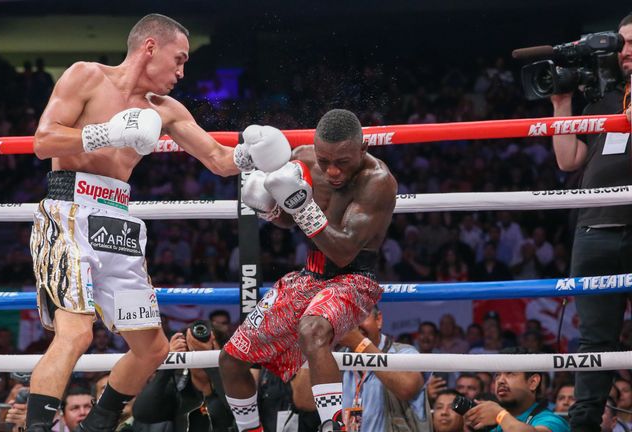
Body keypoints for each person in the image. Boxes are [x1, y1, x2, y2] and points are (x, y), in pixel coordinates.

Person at [26, 13, 290, 432]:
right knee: (76, 336)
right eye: (179, 59)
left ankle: (98, 425)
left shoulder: (165, 110)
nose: (182, 72)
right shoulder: (87, 76)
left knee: (152, 348)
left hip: (118, 223)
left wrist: (253, 153)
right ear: (150, 47)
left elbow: (219, 160)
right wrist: (107, 133)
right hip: (68, 213)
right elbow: (43, 141)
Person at [219, 108, 398, 432]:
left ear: (362, 150)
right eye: (325, 159)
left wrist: (302, 207)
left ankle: (333, 426)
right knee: (231, 358)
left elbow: (343, 251)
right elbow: (290, 216)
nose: (332, 171)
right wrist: (271, 210)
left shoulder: (378, 181)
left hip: (355, 279)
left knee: (312, 329)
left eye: (342, 162)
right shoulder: (303, 158)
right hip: (309, 275)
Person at [549, 13, 632, 432]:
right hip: (595, 228)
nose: (626, 50)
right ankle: (584, 424)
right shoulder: (604, 100)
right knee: (596, 339)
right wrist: (561, 103)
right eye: (621, 43)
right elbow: (569, 160)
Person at [337, 305, 429, 431]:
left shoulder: (404, 353)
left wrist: (360, 343)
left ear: (378, 320)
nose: (355, 326)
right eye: (349, 319)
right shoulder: (337, 358)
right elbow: (303, 401)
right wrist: (322, 345)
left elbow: (407, 388)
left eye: (361, 316)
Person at [463, 349, 568, 432]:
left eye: (510, 373)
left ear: (533, 382)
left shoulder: (552, 421)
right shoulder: (492, 422)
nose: (500, 381)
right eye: (497, 375)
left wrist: (499, 414)